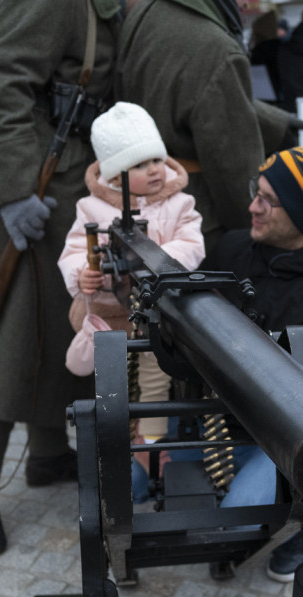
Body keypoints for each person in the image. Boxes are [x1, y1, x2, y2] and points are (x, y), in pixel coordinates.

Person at [143, 143, 303, 581]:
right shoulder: (235, 247)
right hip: (213, 407)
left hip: (280, 432)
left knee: (234, 525)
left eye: (268, 200)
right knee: (135, 482)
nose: (253, 206)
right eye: (256, 190)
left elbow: (301, 395)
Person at [0, 0, 119, 556]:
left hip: (70, 185)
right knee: (6, 341)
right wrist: (14, 191)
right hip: (32, 187)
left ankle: (47, 453)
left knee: (62, 328)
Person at [57, 102, 205, 465]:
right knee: (112, 378)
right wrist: (83, 273)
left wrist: (156, 261)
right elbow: (76, 249)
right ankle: (116, 436)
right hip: (109, 312)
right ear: (115, 175)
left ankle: (152, 439)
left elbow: (191, 245)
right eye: (139, 165)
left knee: (156, 373)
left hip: (158, 311)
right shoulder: (92, 208)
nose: (154, 170)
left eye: (156, 159)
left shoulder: (180, 202)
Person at [116, 0, 293, 252]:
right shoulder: (215, 48)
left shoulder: (151, 9)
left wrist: (277, 123)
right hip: (198, 229)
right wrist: (259, 240)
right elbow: (237, 179)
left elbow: (181, 91)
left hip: (146, 212)